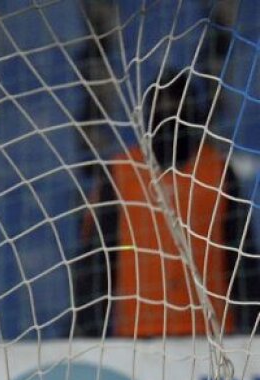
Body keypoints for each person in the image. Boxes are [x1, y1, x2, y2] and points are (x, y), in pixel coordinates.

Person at [74, 69, 257, 338]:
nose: (169, 116)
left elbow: (243, 260)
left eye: (177, 107)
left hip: (211, 337)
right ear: (147, 116)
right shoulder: (120, 173)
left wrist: (253, 328)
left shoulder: (218, 172)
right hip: (140, 339)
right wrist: (88, 331)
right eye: (161, 107)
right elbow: (97, 261)